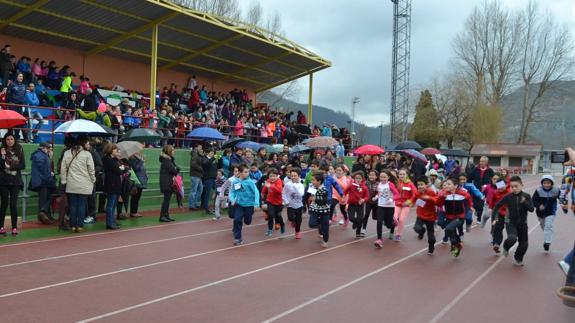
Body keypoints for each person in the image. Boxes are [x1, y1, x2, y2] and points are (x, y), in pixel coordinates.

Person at [492, 176, 534, 266]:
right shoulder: (508, 197)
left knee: (524, 244)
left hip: (523, 223)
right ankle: (506, 247)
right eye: (512, 187)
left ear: (521, 185)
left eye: (516, 186)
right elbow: (497, 206)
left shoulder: (526, 196)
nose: (514, 188)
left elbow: (531, 209)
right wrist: (494, 218)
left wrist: (524, 203)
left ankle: (518, 258)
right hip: (511, 222)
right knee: (512, 238)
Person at [60, 137, 95, 233]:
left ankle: (72, 226)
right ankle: (79, 226)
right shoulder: (87, 154)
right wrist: (93, 179)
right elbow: (91, 169)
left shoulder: (67, 153)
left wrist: (64, 181)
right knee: (82, 205)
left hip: (71, 183)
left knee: (73, 205)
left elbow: (63, 169)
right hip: (84, 183)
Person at [435, 178, 473, 258]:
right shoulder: (444, 193)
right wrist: (442, 197)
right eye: (446, 184)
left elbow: (469, 198)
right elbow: (438, 203)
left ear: (455, 186)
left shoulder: (462, 193)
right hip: (449, 216)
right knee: (451, 231)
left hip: (460, 216)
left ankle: (454, 244)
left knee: (448, 229)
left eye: (449, 184)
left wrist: (471, 206)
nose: (446, 186)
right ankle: (457, 244)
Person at [0, 133, 25, 236]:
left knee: (13, 205)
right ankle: (1, 227)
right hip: (3, 181)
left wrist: (11, 166)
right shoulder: (2, 150)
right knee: (4, 204)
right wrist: (2, 157)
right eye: (7, 139)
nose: (9, 141)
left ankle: (14, 228)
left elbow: (23, 165)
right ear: (5, 141)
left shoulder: (19, 150)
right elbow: (0, 166)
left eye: (11, 139)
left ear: (14, 140)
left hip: (15, 181)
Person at [229, 164, 260, 246]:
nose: (247, 174)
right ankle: (238, 238)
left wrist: (256, 204)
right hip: (239, 204)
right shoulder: (236, 182)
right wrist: (232, 199)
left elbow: (256, 193)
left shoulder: (250, 182)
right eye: (245, 172)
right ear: (239, 173)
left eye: (248, 172)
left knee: (247, 221)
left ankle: (248, 219)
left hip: (249, 205)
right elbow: (233, 192)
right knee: (237, 219)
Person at [532, 174, 560, 252]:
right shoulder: (538, 191)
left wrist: (564, 203)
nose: (546, 185)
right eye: (544, 183)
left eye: (548, 183)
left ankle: (547, 242)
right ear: (542, 183)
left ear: (552, 183)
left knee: (548, 226)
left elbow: (561, 198)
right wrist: (538, 205)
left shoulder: (556, 190)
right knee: (544, 227)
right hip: (540, 213)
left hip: (551, 212)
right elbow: (533, 200)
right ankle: (548, 237)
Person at [30, 142, 56, 224]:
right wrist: (50, 173)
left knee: (47, 197)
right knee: (45, 199)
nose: (49, 150)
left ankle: (45, 215)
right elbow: (43, 168)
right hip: (43, 181)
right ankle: (43, 214)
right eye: (48, 148)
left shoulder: (41, 155)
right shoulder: (39, 155)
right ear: (43, 148)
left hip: (44, 180)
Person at [102, 143, 125, 230]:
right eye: (115, 149)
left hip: (116, 183)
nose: (117, 151)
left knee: (113, 204)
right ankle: (109, 223)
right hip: (111, 184)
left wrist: (121, 167)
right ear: (110, 150)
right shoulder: (108, 159)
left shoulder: (114, 159)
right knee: (110, 205)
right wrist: (123, 169)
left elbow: (120, 169)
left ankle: (112, 221)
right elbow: (118, 171)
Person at [413, 176, 438, 254]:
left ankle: (431, 247)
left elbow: (437, 200)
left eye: (422, 184)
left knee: (431, 235)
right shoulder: (417, 192)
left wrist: (429, 198)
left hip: (430, 217)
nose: (420, 186)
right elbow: (413, 199)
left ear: (426, 185)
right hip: (420, 215)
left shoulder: (430, 192)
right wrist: (408, 203)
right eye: (418, 185)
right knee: (417, 228)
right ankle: (422, 231)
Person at [374, 170, 399, 248]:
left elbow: (397, 194)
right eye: (381, 177)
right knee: (379, 221)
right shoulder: (379, 184)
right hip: (381, 205)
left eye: (384, 177)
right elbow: (379, 193)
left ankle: (393, 222)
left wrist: (391, 200)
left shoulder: (390, 185)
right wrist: (376, 197)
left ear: (388, 177)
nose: (382, 178)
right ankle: (379, 239)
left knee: (388, 225)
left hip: (390, 207)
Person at [468, 156, 495, 224]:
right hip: (475, 190)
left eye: (483, 161)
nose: (481, 163)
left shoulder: (490, 170)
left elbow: (495, 179)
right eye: (480, 161)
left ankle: (479, 219)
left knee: (481, 205)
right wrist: (469, 187)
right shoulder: (475, 169)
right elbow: (470, 178)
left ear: (486, 162)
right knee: (475, 204)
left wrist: (492, 186)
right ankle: (476, 211)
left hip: (485, 191)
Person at [308, 171, 331, 248]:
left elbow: (324, 201)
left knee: (325, 226)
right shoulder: (312, 187)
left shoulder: (324, 189)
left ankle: (325, 241)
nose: (312, 181)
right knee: (311, 224)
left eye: (313, 180)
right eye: (311, 180)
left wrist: (315, 199)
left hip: (324, 210)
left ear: (319, 181)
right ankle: (319, 225)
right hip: (314, 209)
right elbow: (307, 195)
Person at [393, 169, 417, 241]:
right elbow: (393, 192)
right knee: (394, 217)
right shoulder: (396, 183)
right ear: (398, 175)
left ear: (407, 175)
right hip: (397, 203)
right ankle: (395, 224)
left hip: (405, 205)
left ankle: (398, 235)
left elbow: (415, 194)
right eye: (400, 174)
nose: (402, 176)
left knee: (401, 220)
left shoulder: (410, 184)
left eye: (404, 174)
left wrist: (410, 201)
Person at [344, 171, 369, 238]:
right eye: (356, 178)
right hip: (351, 204)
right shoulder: (351, 185)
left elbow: (367, 196)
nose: (358, 180)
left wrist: (363, 200)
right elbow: (345, 191)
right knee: (351, 218)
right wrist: (343, 196)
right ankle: (355, 223)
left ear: (362, 179)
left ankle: (358, 232)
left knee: (360, 219)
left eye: (359, 178)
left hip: (360, 205)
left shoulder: (364, 187)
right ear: (354, 178)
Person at [283, 168, 305, 239]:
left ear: (299, 176)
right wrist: (286, 201)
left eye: (295, 175)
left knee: (299, 220)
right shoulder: (287, 184)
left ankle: (297, 232)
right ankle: (293, 221)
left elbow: (301, 194)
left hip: (299, 205)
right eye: (292, 175)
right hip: (290, 205)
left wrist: (295, 187)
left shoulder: (301, 185)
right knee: (290, 218)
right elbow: (283, 193)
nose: (293, 177)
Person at [159, 145, 179, 223]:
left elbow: (174, 169)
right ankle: (162, 216)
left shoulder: (168, 159)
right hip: (166, 182)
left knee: (167, 200)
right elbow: (173, 170)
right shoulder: (166, 160)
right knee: (166, 200)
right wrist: (177, 169)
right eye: (172, 150)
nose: (174, 151)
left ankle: (166, 215)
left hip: (167, 181)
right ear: (168, 151)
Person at [262, 168, 284, 237]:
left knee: (278, 216)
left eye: (274, 176)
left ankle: (281, 224)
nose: (272, 178)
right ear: (268, 177)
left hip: (279, 203)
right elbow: (264, 188)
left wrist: (271, 186)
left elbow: (279, 190)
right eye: (271, 176)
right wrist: (262, 194)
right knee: (271, 215)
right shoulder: (268, 181)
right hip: (270, 202)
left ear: (277, 176)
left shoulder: (279, 181)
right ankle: (270, 230)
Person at [128, 152, 148, 218]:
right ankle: (133, 212)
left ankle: (134, 211)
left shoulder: (137, 159)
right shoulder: (132, 159)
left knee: (137, 197)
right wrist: (141, 161)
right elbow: (136, 168)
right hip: (137, 180)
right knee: (135, 197)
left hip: (140, 180)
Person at [362, 170, 379, 234]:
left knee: (375, 217)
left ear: (376, 176)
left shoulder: (378, 184)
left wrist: (376, 196)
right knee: (366, 215)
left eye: (373, 175)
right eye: (370, 175)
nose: (371, 176)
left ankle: (383, 221)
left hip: (376, 203)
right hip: (368, 202)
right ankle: (363, 229)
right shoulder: (366, 183)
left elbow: (379, 192)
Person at [201, 148, 217, 214]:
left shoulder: (213, 159)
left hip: (213, 177)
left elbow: (218, 166)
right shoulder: (204, 158)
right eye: (211, 153)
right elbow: (206, 164)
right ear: (207, 153)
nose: (213, 154)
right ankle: (206, 208)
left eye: (213, 153)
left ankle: (215, 206)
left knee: (217, 191)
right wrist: (213, 159)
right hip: (207, 178)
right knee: (207, 193)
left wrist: (220, 160)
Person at [188, 145, 203, 210]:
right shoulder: (195, 154)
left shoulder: (197, 154)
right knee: (194, 190)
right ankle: (192, 205)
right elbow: (193, 164)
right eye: (199, 147)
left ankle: (195, 203)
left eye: (201, 147)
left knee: (200, 189)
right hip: (195, 175)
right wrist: (201, 168)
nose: (201, 148)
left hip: (198, 175)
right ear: (196, 147)